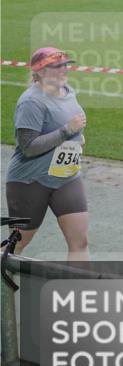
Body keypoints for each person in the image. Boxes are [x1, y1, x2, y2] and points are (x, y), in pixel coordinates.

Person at [5, 47, 89, 261]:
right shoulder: (31, 102)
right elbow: (29, 147)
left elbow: (68, 128)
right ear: (40, 72)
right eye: (56, 66)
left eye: (65, 65)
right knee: (17, 244)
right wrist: (66, 131)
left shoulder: (68, 91)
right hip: (31, 180)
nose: (64, 70)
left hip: (66, 177)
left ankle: (79, 293)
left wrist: (76, 139)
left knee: (80, 242)